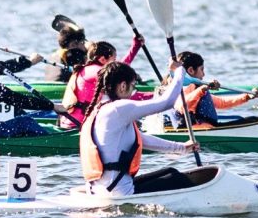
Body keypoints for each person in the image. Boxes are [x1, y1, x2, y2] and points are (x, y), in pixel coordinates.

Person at [80, 61, 200, 196]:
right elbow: (167, 102)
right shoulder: (118, 108)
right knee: (178, 179)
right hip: (116, 193)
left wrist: (182, 148)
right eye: (133, 86)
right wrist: (180, 72)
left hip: (100, 190)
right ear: (123, 86)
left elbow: (140, 139)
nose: (133, 92)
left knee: (170, 172)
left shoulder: (100, 109)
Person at [59, 37, 153, 129]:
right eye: (114, 59)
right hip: (77, 126)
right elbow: (125, 92)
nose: (116, 62)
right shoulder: (98, 72)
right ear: (103, 59)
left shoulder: (90, 69)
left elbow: (120, 70)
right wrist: (155, 96)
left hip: (68, 122)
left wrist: (135, 46)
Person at [174, 51, 258, 129]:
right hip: (196, 131)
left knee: (252, 119)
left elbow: (222, 103)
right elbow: (182, 106)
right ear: (191, 71)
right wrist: (203, 88)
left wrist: (247, 96)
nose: (204, 74)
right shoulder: (182, 87)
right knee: (253, 121)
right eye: (202, 69)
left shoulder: (197, 88)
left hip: (210, 128)